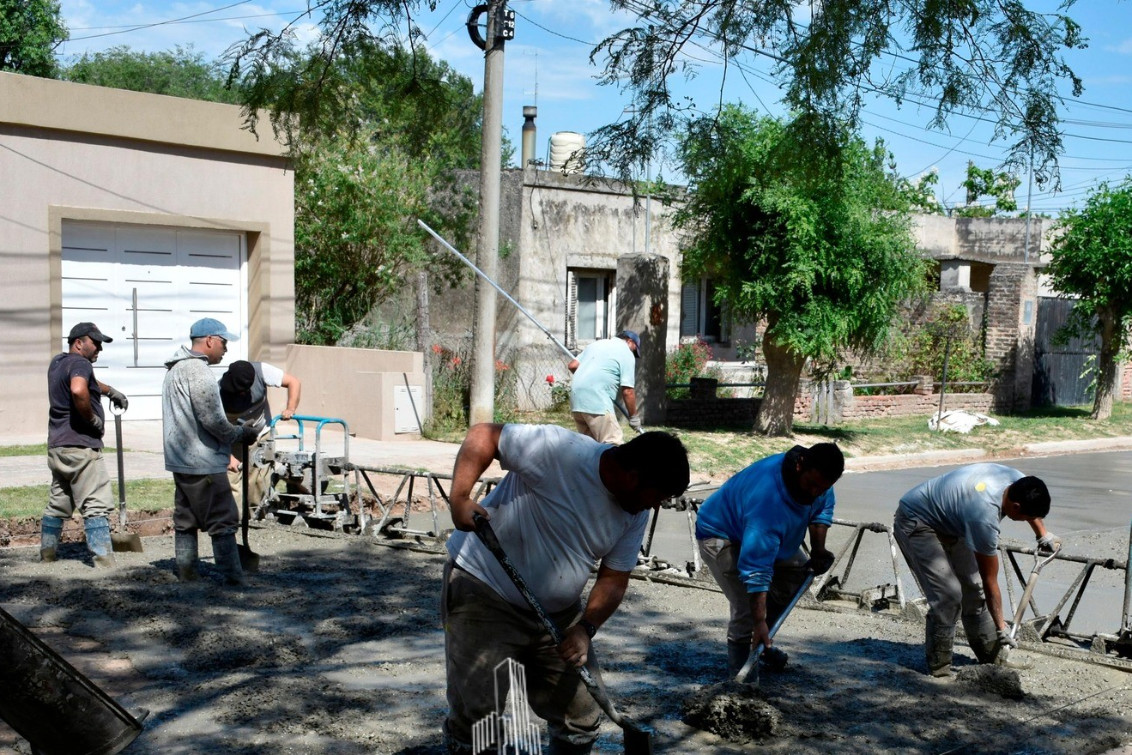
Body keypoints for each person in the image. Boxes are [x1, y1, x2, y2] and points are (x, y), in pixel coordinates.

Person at [442, 423, 690, 755]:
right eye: (657, 497)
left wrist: (586, 628)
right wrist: (459, 497)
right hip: (484, 592)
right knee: (479, 721)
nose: (655, 507)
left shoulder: (634, 512)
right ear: (634, 477)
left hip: (558, 616)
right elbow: (484, 435)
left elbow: (614, 578)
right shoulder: (562, 451)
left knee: (581, 716)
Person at [694, 443, 844, 677]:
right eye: (811, 485)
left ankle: (761, 641)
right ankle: (741, 680)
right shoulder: (769, 502)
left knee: (797, 575)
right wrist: (758, 619)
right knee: (746, 606)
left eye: (822, 488)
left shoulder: (821, 480)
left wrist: (818, 550)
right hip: (721, 534)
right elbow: (756, 571)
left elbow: (821, 511)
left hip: (761, 535)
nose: (815, 492)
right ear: (799, 466)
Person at [894, 463, 1057, 677]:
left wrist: (1042, 535)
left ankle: (992, 657)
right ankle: (940, 669)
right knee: (948, 596)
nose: (1026, 521)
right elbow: (991, 580)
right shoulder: (984, 517)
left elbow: (1031, 509)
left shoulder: (1018, 480)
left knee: (973, 589)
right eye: (1025, 519)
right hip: (916, 520)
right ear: (1015, 507)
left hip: (953, 519)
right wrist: (1001, 627)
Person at [162, 318, 259, 585]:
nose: (225, 349)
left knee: (186, 520)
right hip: (203, 461)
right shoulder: (199, 371)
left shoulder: (174, 371)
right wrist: (241, 433)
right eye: (224, 343)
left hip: (180, 460)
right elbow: (212, 420)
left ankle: (187, 573)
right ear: (209, 341)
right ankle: (233, 579)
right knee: (223, 521)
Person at [41, 322, 130, 567]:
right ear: (79, 342)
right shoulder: (81, 363)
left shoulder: (59, 362)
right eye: (96, 342)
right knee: (96, 504)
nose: (99, 348)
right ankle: (104, 561)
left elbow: (86, 381)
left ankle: (47, 555)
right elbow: (79, 389)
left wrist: (109, 390)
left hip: (58, 446)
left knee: (58, 502)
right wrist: (92, 419)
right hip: (81, 447)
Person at [218, 359, 302, 509]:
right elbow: (214, 428)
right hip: (232, 438)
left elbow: (293, 382)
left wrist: (291, 408)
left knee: (257, 480)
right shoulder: (217, 392)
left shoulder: (261, 371)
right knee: (232, 479)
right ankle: (233, 522)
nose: (243, 393)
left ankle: (256, 517)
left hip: (261, 434)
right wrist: (227, 455)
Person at [566, 330, 641, 444]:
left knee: (590, 448)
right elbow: (628, 391)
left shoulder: (596, 344)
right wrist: (634, 417)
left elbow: (572, 365)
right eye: (634, 350)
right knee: (613, 444)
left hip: (577, 401)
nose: (633, 354)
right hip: (597, 400)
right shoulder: (626, 352)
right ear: (629, 341)